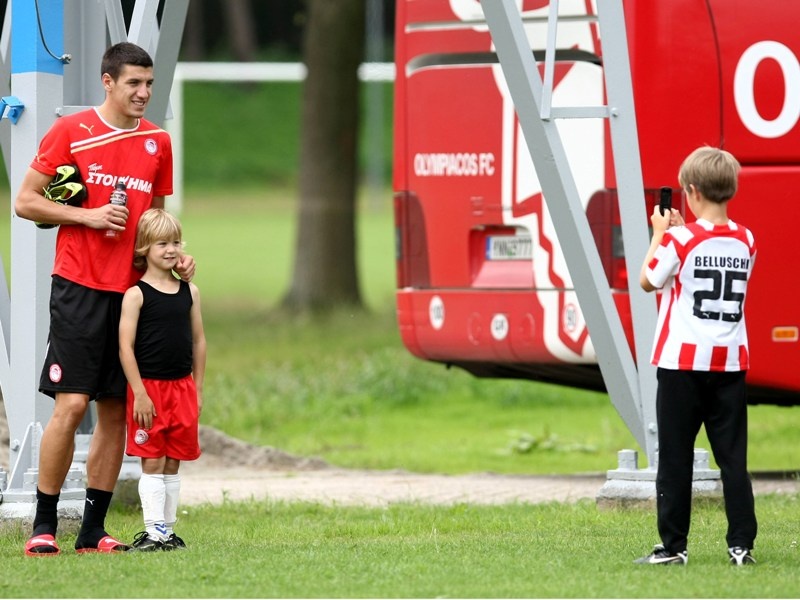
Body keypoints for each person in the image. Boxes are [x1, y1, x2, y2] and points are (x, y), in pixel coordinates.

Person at [15, 42, 195, 556]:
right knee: (71, 405)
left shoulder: (158, 142)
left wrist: (174, 258)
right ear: (108, 82)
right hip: (79, 287)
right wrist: (88, 216)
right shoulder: (72, 132)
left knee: (118, 411)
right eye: (134, 83)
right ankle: (43, 525)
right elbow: (26, 200)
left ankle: (92, 530)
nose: (143, 93)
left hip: (133, 296)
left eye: (149, 84)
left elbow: (155, 224)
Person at [634, 146, 758, 566]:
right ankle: (741, 545)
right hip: (729, 362)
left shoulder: (677, 239)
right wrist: (680, 234)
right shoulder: (747, 240)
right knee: (732, 459)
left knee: (675, 456)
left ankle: (673, 546)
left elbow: (649, 279)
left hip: (681, 365)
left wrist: (659, 233)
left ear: (691, 190)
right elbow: (709, 257)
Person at [119, 209, 205, 552]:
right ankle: (153, 533)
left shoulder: (190, 292)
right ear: (144, 248)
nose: (170, 250)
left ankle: (168, 533)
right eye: (161, 243)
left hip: (181, 388)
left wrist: (197, 388)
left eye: (175, 242)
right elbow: (125, 347)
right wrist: (139, 392)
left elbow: (199, 341)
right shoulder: (135, 295)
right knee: (152, 459)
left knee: (173, 459)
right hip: (149, 390)